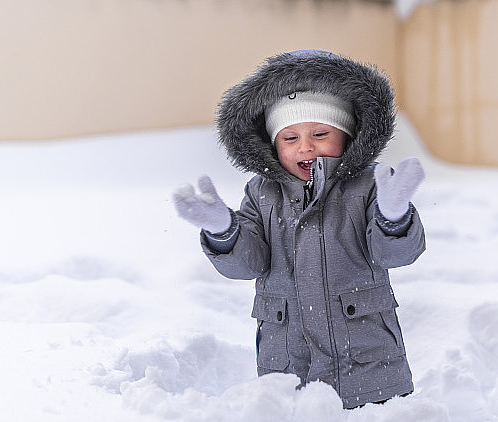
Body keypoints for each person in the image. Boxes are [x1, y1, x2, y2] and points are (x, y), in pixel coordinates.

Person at [172, 49, 426, 409]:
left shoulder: (370, 185)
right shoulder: (261, 192)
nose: (305, 146)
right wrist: (224, 230)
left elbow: (394, 255)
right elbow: (249, 264)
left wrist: (393, 216)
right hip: (288, 369)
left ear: (347, 136)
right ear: (273, 145)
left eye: (320, 133)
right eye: (289, 138)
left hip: (368, 369)